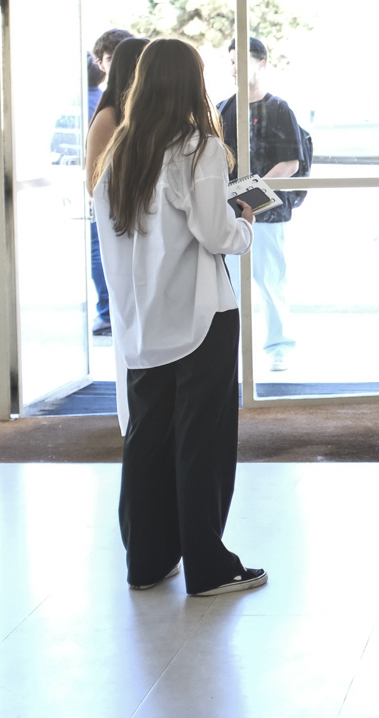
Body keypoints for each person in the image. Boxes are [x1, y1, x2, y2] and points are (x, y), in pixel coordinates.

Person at [92, 38, 266, 597]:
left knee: (147, 438)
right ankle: (209, 568)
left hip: (141, 320)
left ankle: (147, 560)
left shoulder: (120, 150)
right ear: (192, 84)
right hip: (199, 314)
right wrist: (245, 224)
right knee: (203, 441)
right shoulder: (199, 148)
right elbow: (216, 234)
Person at [217, 37, 303, 373]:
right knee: (231, 285)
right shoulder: (223, 109)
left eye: (243, 60)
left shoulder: (278, 108)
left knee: (271, 281)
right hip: (231, 215)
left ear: (262, 64)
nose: (237, 67)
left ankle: (278, 347)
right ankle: (232, 350)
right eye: (232, 61)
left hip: (268, 215)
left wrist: (249, 199)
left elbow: (290, 163)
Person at [87, 37, 151, 435]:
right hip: (123, 233)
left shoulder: (141, 115)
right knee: (129, 322)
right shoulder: (109, 116)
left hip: (144, 232)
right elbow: (96, 184)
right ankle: (133, 421)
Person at [86, 53, 110, 335]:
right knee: (100, 251)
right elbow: (94, 180)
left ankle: (106, 312)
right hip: (112, 204)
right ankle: (106, 311)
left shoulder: (98, 105)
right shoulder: (106, 111)